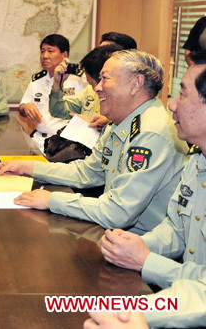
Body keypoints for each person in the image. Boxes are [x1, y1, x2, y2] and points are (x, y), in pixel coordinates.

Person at [0, 50, 187, 234]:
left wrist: (52, 200)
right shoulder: (120, 123)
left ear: (136, 83)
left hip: (143, 245)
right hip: (117, 234)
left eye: (105, 78)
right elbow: (86, 173)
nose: (97, 87)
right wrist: (28, 167)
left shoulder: (150, 133)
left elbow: (118, 212)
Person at [99, 51, 206, 328]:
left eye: (182, 95)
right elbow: (177, 228)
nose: (171, 105)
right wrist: (136, 247)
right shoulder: (198, 160)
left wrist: (135, 311)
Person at [19, 34, 87, 148]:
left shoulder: (81, 80)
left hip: (68, 144)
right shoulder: (37, 80)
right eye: (42, 51)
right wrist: (25, 108)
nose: (45, 56)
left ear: (64, 55)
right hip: (39, 142)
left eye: (50, 51)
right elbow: (22, 107)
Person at [49, 44, 123, 131]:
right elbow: (58, 111)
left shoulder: (126, 103)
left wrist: (90, 126)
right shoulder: (89, 92)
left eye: (92, 84)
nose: (96, 89)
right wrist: (58, 83)